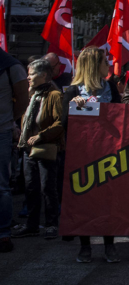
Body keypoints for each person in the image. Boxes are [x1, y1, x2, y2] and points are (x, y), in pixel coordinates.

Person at [62, 47, 121, 262]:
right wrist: (74, 109)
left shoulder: (111, 88)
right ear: (94, 65)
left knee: (108, 200)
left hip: (109, 153)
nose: (109, 64)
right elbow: (63, 124)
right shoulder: (73, 91)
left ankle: (109, 245)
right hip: (82, 155)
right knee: (83, 201)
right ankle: (85, 246)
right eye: (106, 61)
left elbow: (121, 117)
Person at [11, 59, 64, 241]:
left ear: (43, 75)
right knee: (31, 187)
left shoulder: (55, 95)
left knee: (47, 187)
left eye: (31, 74)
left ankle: (51, 224)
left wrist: (41, 136)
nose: (28, 77)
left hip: (46, 148)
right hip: (27, 149)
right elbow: (24, 117)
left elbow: (60, 123)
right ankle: (32, 225)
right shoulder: (30, 94)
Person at [0, 50, 28, 253]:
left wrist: (9, 122)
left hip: (1, 131)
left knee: (1, 185)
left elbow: (23, 100)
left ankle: (3, 234)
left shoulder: (11, 66)